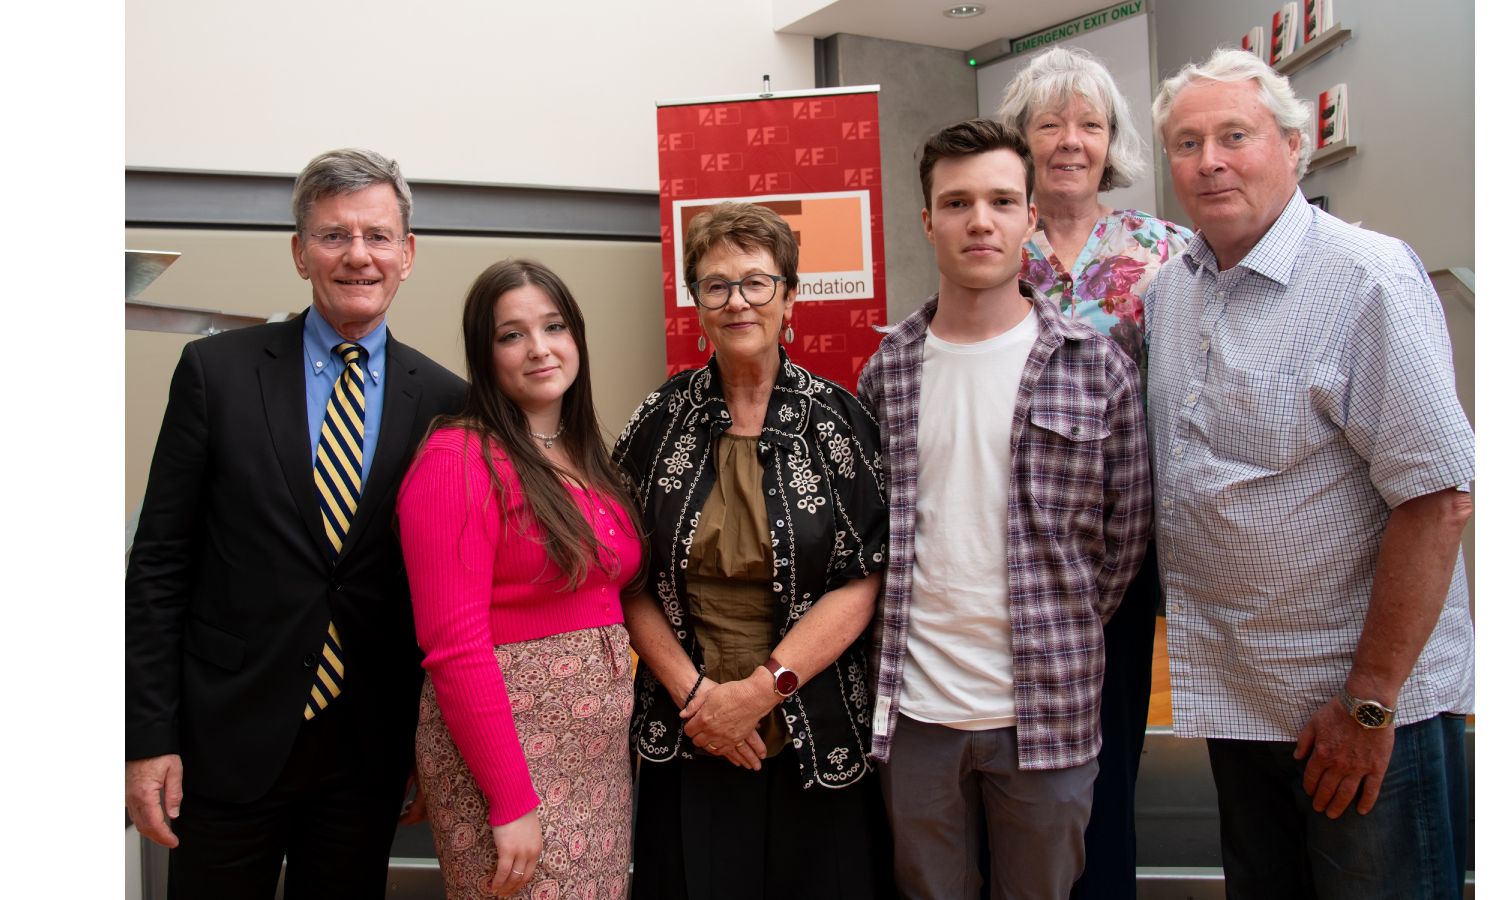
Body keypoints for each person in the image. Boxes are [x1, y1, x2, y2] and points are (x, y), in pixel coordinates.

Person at [1145, 48, 1475, 899]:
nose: (1210, 161)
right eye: (1187, 143)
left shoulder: (1365, 278)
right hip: (1239, 700)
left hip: (1359, 710)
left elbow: (1438, 499)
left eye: (1235, 136)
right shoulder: (1172, 293)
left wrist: (1369, 702)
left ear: (1294, 146)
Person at [124, 148, 467, 897]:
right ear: (299, 251)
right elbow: (158, 565)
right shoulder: (215, 373)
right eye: (334, 235)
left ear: (408, 254)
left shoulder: (448, 402)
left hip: (365, 748)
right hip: (225, 738)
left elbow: (445, 591)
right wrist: (147, 738)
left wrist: (429, 742)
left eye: (377, 236)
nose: (358, 255)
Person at [856, 119, 1151, 900]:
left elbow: (1125, 540)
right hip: (916, 715)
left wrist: (1059, 625)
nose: (979, 221)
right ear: (928, 223)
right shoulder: (886, 372)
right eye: (957, 203)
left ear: (1030, 217)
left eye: (1000, 201)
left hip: (1047, 713)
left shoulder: (1097, 370)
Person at [613, 202, 893, 900]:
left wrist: (760, 693)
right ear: (697, 304)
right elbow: (625, 577)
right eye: (717, 285)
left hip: (813, 721)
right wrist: (701, 700)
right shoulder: (657, 422)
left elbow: (863, 577)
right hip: (688, 721)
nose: (737, 301)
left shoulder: (839, 421)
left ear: (789, 297)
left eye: (756, 282)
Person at [997, 46, 1192, 900]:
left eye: (1090, 124)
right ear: (1022, 140)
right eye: (1050, 124)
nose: (1070, 141)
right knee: (1022, 751)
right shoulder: (997, 243)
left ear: (1112, 141)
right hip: (1022, 537)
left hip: (1126, 537)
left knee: (1111, 748)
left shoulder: (1165, 249)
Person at [396, 260, 643, 900]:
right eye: (512, 335)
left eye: (554, 327)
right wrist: (509, 800)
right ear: (485, 356)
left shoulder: (583, 453)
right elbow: (453, 647)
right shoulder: (457, 460)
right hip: (511, 767)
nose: (539, 348)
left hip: (593, 765)